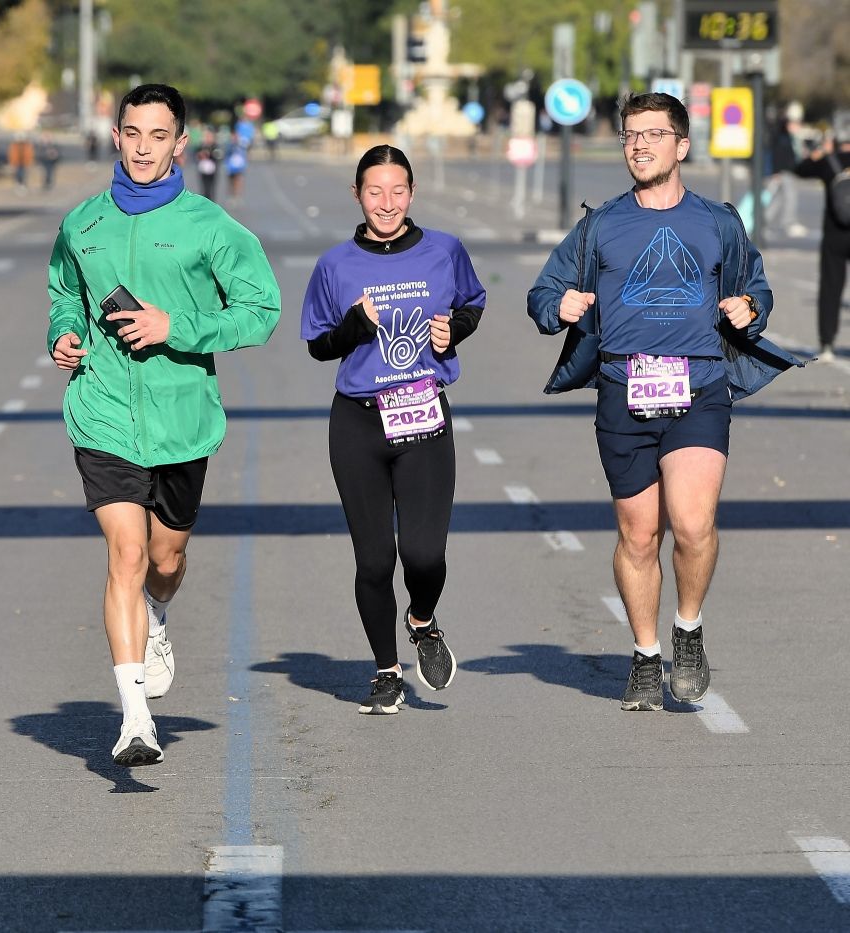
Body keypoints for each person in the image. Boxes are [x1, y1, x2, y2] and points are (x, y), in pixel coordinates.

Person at [528, 93, 800, 712]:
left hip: (699, 384)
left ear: (681, 146)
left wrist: (750, 308)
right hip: (625, 389)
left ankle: (689, 627)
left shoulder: (717, 222)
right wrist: (557, 307)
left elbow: (753, 283)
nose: (639, 145)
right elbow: (545, 288)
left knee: (695, 524)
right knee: (639, 533)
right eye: (629, 136)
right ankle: (647, 655)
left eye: (653, 134)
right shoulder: (600, 225)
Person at [46, 83, 281, 766]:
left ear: (180, 143)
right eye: (131, 133)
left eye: (157, 136)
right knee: (124, 554)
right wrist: (64, 334)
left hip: (183, 418)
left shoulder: (213, 226)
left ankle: (157, 612)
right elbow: (66, 290)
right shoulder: (82, 223)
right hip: (102, 411)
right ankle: (135, 719)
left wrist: (175, 326)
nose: (143, 148)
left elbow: (259, 309)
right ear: (115, 136)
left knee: (164, 559)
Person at [299, 145, 485, 715]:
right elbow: (317, 344)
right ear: (357, 195)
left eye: (397, 190)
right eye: (374, 191)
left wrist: (453, 331)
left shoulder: (444, 250)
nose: (386, 203)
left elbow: (471, 305)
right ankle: (385, 671)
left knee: (425, 555)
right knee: (375, 561)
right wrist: (353, 327)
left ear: (412, 192)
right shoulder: (335, 265)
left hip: (423, 413)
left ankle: (423, 621)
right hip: (358, 421)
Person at [794, 110, 850, 359]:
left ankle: (826, 344)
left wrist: (821, 152)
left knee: (830, 287)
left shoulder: (830, 162)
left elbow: (800, 169)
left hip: (835, 234)